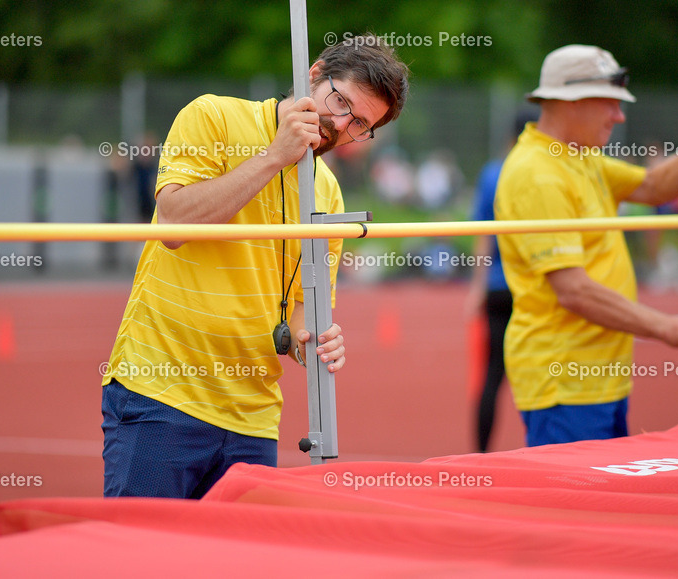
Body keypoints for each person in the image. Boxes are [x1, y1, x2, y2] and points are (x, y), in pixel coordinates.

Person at [101, 35, 409, 499]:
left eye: (360, 124)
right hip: (161, 398)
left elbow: (302, 310)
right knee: (140, 558)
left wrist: (314, 342)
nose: (339, 125)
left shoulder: (326, 192)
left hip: (253, 419)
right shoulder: (213, 116)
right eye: (340, 101)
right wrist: (272, 158)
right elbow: (175, 221)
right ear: (315, 73)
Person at [495, 44, 678, 448]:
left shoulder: (578, 156)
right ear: (571, 102)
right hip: (565, 380)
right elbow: (573, 291)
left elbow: (652, 185)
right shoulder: (538, 173)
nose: (620, 115)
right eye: (611, 104)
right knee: (574, 506)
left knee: (600, 505)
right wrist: (667, 327)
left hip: (595, 377)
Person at [464, 108, 533, 452]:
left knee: (492, 376)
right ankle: (543, 448)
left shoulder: (493, 173)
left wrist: (477, 285)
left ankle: (481, 452)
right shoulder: (540, 174)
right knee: (536, 375)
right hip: (533, 289)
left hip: (496, 287)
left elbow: (481, 233)